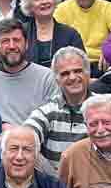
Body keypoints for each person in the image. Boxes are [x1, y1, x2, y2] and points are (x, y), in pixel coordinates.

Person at [0, 18, 58, 128]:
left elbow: (53, 120)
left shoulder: (46, 77)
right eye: (5, 41)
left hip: (35, 140)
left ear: (27, 44)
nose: (12, 46)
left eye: (17, 40)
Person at [23, 47, 92, 177]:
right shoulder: (48, 111)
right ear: (57, 80)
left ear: (88, 74)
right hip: (55, 187)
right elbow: (24, 137)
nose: (72, 77)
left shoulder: (102, 107)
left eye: (78, 71)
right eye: (65, 73)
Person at [20, 0, 85, 68]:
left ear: (54, 0)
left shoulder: (71, 34)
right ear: (29, 4)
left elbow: (81, 67)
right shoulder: (20, 32)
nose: (44, 1)